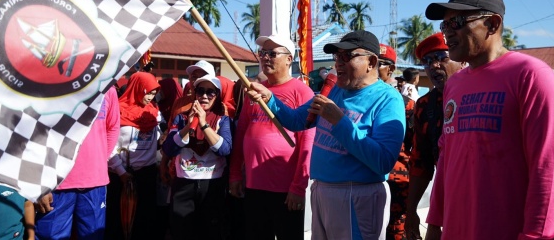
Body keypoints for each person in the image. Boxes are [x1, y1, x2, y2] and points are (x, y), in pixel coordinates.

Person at [423, 0, 554, 239]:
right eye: (444, 26)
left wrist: (536, 236)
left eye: (456, 22)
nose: (448, 33)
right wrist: (435, 223)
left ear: (492, 23)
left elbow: (547, 165)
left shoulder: (531, 76)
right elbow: (447, 156)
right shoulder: (455, 84)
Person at [246, 30, 405, 240]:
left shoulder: (388, 99)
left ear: (371, 61)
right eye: (337, 57)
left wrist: (340, 121)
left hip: (357, 196)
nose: (338, 63)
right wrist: (270, 100)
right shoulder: (334, 90)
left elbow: (383, 161)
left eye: (347, 56)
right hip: (322, 192)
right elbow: (296, 121)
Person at [229, 34, 315, 240]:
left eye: (272, 53)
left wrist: (298, 187)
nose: (265, 57)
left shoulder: (302, 92)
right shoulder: (256, 90)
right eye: (263, 53)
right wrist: (235, 174)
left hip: (286, 190)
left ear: (288, 59)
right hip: (254, 185)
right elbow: (241, 132)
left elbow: (307, 145)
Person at [34, 86, 120, 240]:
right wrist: (40, 183)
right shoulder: (51, 81)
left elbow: (113, 127)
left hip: (94, 183)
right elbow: (37, 132)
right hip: (55, 182)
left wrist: (98, 160)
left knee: (93, 236)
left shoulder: (108, 86)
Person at [404, 33, 465, 240]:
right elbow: (421, 163)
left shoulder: (476, 95)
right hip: (447, 202)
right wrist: (411, 210)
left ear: (462, 59)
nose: (434, 66)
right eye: (427, 61)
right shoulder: (424, 106)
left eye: (441, 57)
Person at [162, 75, 232, 239]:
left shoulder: (222, 120)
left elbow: (224, 149)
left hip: (212, 184)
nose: (204, 96)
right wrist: (188, 127)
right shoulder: (182, 118)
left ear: (217, 95)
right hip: (184, 183)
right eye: (200, 91)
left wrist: (204, 124)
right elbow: (169, 148)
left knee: (210, 231)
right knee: (182, 231)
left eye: (210, 92)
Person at [106, 71, 161, 240]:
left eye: (154, 92)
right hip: (121, 176)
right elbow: (108, 144)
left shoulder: (154, 113)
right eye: (148, 91)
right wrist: (121, 171)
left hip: (146, 175)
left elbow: (157, 141)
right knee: (117, 221)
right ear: (137, 88)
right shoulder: (117, 111)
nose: (151, 96)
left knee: (144, 222)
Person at [379, 44, 413, 240]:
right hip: (368, 181)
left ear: (390, 70)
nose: (373, 68)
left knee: (396, 233)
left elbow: (414, 149)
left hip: (398, 184)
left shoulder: (407, 104)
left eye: (380, 64)